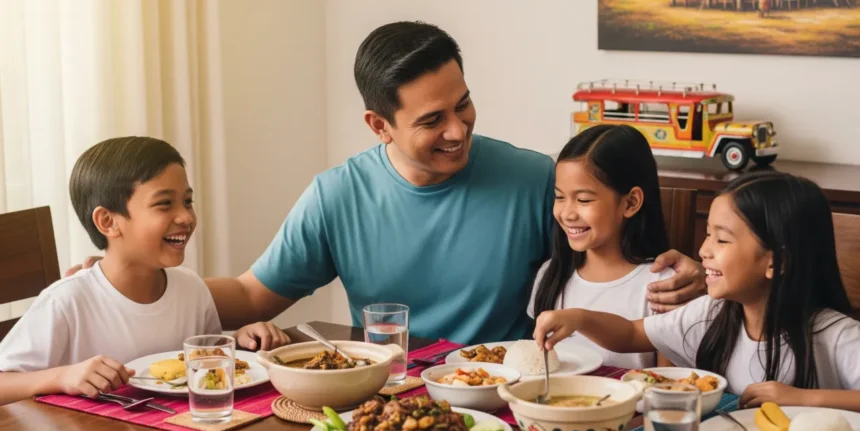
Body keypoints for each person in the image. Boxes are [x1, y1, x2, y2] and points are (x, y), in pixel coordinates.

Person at [68, 22, 706, 345]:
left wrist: (688, 272)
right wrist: (120, 276)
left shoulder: (536, 179)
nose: (458, 130)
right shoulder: (337, 195)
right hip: (386, 403)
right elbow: (246, 295)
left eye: (464, 104)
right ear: (379, 124)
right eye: (432, 120)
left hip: (509, 409)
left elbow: (614, 257)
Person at [534, 171, 860, 412]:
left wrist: (804, 399)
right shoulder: (710, 314)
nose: (704, 250)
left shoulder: (834, 334)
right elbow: (632, 334)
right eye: (707, 235)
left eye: (722, 239)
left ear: (778, 262)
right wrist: (579, 318)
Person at [0, 137, 286, 406]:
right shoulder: (66, 301)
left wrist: (240, 340)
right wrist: (62, 376)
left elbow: (206, 366)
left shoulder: (191, 289)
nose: (186, 217)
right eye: (164, 204)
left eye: (187, 201)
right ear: (108, 221)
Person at [529, 125, 674, 369]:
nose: (567, 213)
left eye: (584, 200)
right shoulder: (551, 275)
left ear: (630, 202)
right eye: (559, 196)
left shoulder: (665, 288)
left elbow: (671, 387)